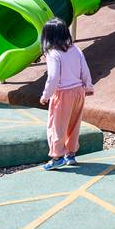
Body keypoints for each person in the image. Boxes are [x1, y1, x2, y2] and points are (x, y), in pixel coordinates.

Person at [39, 18, 94, 170]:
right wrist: (88, 86)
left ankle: (57, 157)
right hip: (78, 92)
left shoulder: (53, 53)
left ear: (48, 36)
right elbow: (85, 69)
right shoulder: (76, 49)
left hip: (63, 93)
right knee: (74, 124)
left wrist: (46, 95)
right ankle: (70, 154)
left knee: (57, 126)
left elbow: (53, 77)